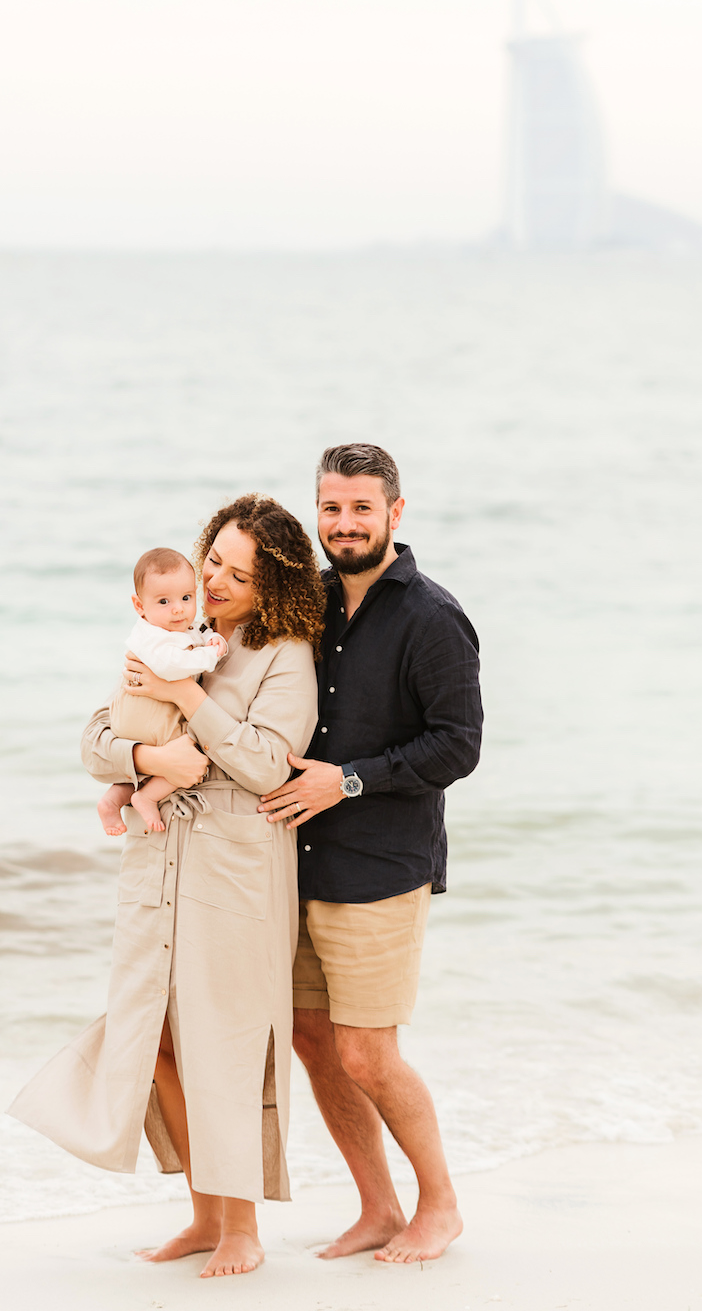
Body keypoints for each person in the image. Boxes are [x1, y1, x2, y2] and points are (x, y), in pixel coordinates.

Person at [8, 495, 323, 1279]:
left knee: (229, 1046)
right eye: (211, 558)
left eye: (235, 573)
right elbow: (97, 736)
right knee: (158, 1044)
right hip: (157, 862)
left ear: (270, 584)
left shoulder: (285, 655)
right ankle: (203, 1215)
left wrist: (188, 699)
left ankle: (242, 1228)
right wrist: (147, 764)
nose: (213, 580)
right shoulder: (165, 632)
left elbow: (262, 763)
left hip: (236, 873)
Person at [259, 443, 483, 1265]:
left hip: (382, 867)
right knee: (315, 1041)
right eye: (330, 508)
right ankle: (379, 1207)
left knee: (367, 1051)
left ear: (395, 512)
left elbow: (458, 746)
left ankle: (442, 1206)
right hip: (297, 862)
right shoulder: (306, 604)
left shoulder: (432, 615)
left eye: (360, 508)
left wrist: (347, 782)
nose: (343, 524)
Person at [96, 547, 228, 836]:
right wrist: (210, 657)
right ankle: (147, 796)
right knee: (186, 754)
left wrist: (213, 638)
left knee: (143, 766)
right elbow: (172, 667)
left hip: (134, 713)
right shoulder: (152, 638)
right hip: (144, 714)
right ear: (139, 606)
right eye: (164, 601)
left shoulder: (172, 626)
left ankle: (112, 800)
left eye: (186, 598)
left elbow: (198, 633)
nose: (178, 608)